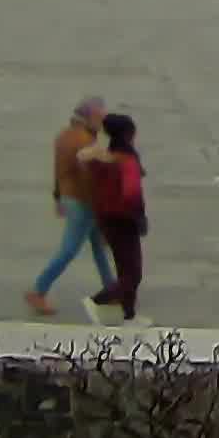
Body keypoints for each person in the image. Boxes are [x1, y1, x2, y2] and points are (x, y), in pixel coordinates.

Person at [24, 95, 113, 316]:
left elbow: (58, 172)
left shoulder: (64, 136)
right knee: (69, 250)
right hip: (83, 202)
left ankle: (112, 289)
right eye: (99, 118)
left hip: (69, 197)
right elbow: (89, 179)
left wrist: (57, 198)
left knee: (98, 247)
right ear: (87, 118)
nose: (102, 124)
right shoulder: (84, 142)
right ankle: (39, 290)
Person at [82, 112, 148, 321]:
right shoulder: (127, 160)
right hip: (125, 220)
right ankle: (97, 301)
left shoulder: (104, 158)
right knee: (133, 273)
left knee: (123, 268)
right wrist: (140, 217)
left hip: (106, 219)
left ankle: (129, 314)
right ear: (128, 134)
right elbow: (131, 193)